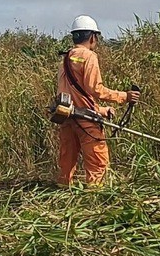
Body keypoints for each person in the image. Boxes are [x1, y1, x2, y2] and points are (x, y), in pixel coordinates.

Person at [56, 15, 138, 188]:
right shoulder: (89, 56)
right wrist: (125, 96)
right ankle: (94, 197)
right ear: (93, 37)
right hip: (85, 121)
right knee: (97, 162)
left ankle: (63, 190)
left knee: (66, 160)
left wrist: (101, 110)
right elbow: (96, 89)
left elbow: (76, 96)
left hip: (65, 115)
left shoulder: (65, 59)